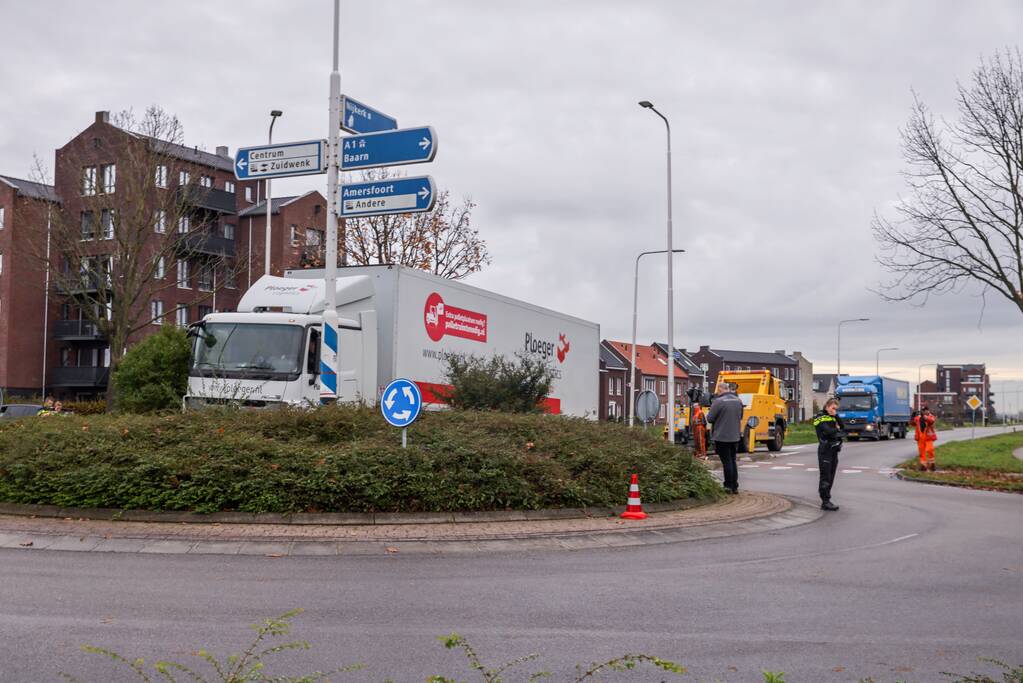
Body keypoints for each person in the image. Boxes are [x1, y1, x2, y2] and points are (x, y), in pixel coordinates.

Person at [706, 381, 744, 494]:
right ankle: (735, 486)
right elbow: (740, 416)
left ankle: (728, 486)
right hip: (735, 436)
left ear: (720, 390)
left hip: (722, 436)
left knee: (726, 462)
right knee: (732, 461)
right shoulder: (738, 401)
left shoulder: (718, 401)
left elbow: (710, 418)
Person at [813, 398, 844, 511]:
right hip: (825, 450)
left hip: (834, 450)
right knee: (825, 476)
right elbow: (827, 431)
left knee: (831, 476)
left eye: (836, 409)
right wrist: (837, 430)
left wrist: (836, 416)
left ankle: (827, 500)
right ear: (827, 406)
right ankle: (825, 501)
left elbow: (843, 427)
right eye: (833, 408)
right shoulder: (819, 417)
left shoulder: (833, 416)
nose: (834, 411)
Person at [911, 406, 938, 471]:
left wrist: (924, 417)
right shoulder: (918, 418)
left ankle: (932, 465)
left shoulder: (931, 416)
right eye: (923, 410)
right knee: (922, 452)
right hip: (920, 438)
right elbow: (913, 423)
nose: (925, 411)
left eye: (926, 410)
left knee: (930, 450)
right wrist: (912, 417)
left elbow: (931, 421)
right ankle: (923, 466)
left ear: (928, 410)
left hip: (928, 437)